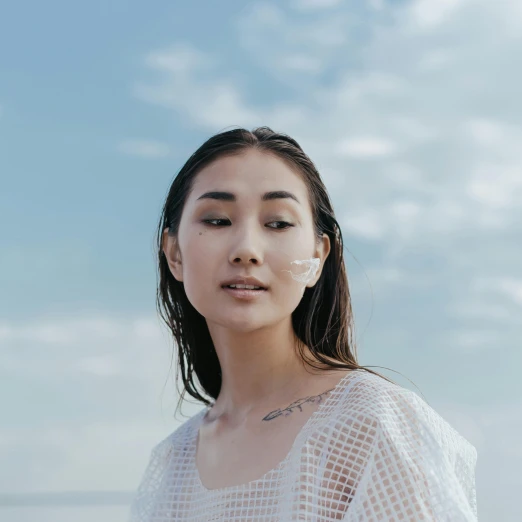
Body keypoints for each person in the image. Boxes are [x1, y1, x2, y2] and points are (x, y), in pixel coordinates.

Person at [128, 127, 478, 521]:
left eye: (277, 224)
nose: (246, 249)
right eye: (218, 220)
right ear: (174, 253)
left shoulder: (370, 424)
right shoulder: (172, 465)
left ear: (317, 256)